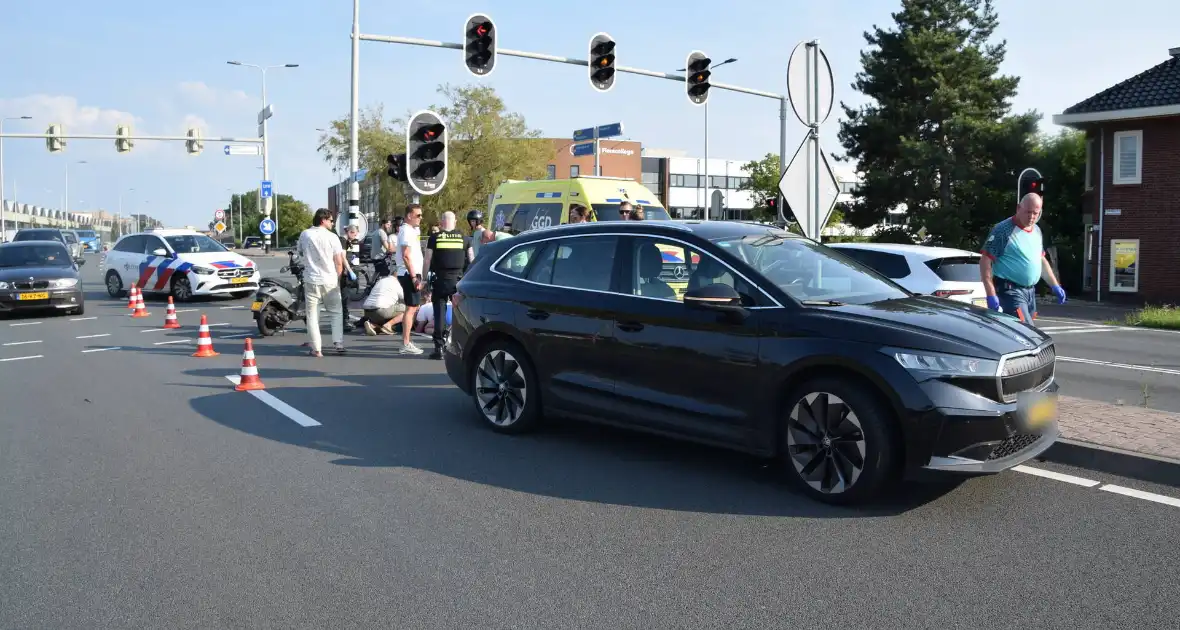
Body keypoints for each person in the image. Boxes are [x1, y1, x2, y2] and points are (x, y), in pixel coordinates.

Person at [980, 192, 1067, 325]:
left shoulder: (1036, 230)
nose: (1031, 217)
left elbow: (1041, 261)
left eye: (1035, 213)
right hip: (1010, 291)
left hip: (1030, 292)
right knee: (1025, 332)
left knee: (1025, 336)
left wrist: (1055, 286)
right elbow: (985, 260)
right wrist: (990, 293)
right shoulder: (1003, 230)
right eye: (1028, 212)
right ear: (1018, 208)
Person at [296, 209, 346, 356]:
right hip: (330, 280)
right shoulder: (333, 237)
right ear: (323, 220)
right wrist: (337, 279)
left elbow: (300, 252)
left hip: (311, 279)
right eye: (331, 220)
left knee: (312, 315)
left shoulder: (305, 234)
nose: (332, 223)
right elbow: (338, 262)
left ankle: (317, 349)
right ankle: (338, 343)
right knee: (336, 312)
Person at [422, 210, 465, 360]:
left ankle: (438, 348)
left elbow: (427, 260)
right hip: (459, 281)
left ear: (441, 222)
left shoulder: (434, 238)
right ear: (455, 222)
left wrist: (424, 279)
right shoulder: (464, 238)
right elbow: (472, 260)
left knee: (439, 313)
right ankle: (459, 346)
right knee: (460, 314)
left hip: (440, 280)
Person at [395, 204, 425, 355]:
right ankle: (405, 343)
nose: (421, 218)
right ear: (409, 216)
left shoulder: (411, 230)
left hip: (411, 273)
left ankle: (407, 341)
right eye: (418, 215)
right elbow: (406, 255)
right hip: (409, 274)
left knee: (413, 307)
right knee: (411, 308)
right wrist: (414, 277)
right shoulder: (406, 230)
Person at [358, 267, 405, 336]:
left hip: (367, 312)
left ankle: (373, 325)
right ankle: (389, 325)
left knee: (386, 309)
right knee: (409, 309)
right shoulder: (396, 283)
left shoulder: (381, 280)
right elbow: (405, 299)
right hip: (381, 311)